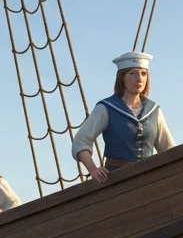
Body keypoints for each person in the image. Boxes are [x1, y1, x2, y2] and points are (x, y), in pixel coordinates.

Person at [71, 51, 177, 184]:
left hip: (149, 179)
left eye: (143, 73)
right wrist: (93, 170)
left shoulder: (154, 110)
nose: (139, 78)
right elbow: (80, 142)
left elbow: (168, 148)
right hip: (117, 180)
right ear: (122, 77)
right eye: (132, 73)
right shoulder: (106, 108)